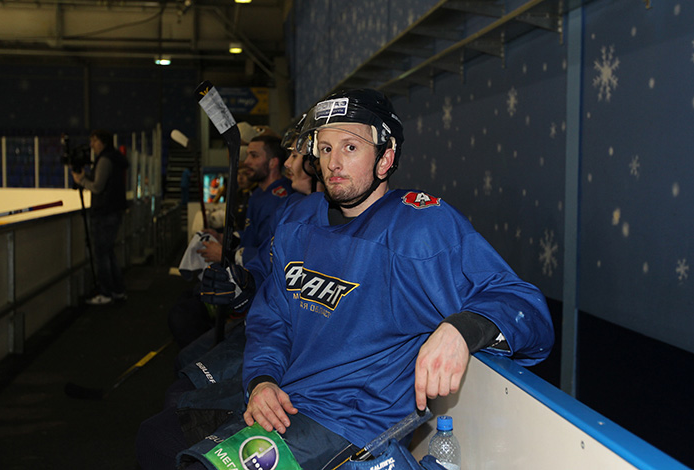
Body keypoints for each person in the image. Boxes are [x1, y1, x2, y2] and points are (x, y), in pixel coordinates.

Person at [138, 90, 554, 470]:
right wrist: (262, 379)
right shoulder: (298, 220)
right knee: (156, 437)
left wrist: (462, 329)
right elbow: (272, 320)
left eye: (350, 147)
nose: (333, 162)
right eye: (325, 148)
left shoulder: (421, 227)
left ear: (385, 159)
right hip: (287, 397)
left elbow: (526, 307)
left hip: (349, 421)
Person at [196, 135, 293, 266]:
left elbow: (270, 254)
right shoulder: (258, 193)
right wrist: (225, 238)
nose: (246, 162)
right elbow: (253, 235)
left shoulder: (280, 200)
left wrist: (227, 255)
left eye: (254, 156)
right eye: (247, 155)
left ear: (273, 163)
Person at [71, 129, 129, 305]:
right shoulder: (114, 158)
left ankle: (106, 292)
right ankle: (117, 290)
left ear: (103, 142)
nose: (92, 145)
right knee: (108, 252)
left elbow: (97, 187)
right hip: (112, 210)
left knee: (102, 254)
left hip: (104, 212)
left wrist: (81, 181)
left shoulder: (105, 160)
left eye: (94, 141)